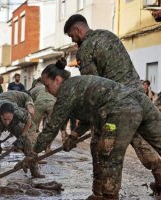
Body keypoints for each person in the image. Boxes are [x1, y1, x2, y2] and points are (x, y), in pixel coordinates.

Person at [22, 59, 161, 199]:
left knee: (108, 156)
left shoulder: (66, 91)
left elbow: (52, 127)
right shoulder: (78, 84)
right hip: (139, 102)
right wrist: (74, 135)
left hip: (121, 111)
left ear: (57, 80)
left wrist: (33, 152)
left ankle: (108, 197)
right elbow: (91, 116)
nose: (46, 90)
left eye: (47, 85)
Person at [64, 14, 161, 195]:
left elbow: (93, 90)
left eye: (72, 36)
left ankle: (100, 192)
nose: (73, 39)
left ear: (78, 30)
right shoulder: (108, 35)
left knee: (99, 147)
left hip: (116, 104)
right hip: (138, 97)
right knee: (140, 140)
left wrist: (77, 131)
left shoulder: (85, 50)